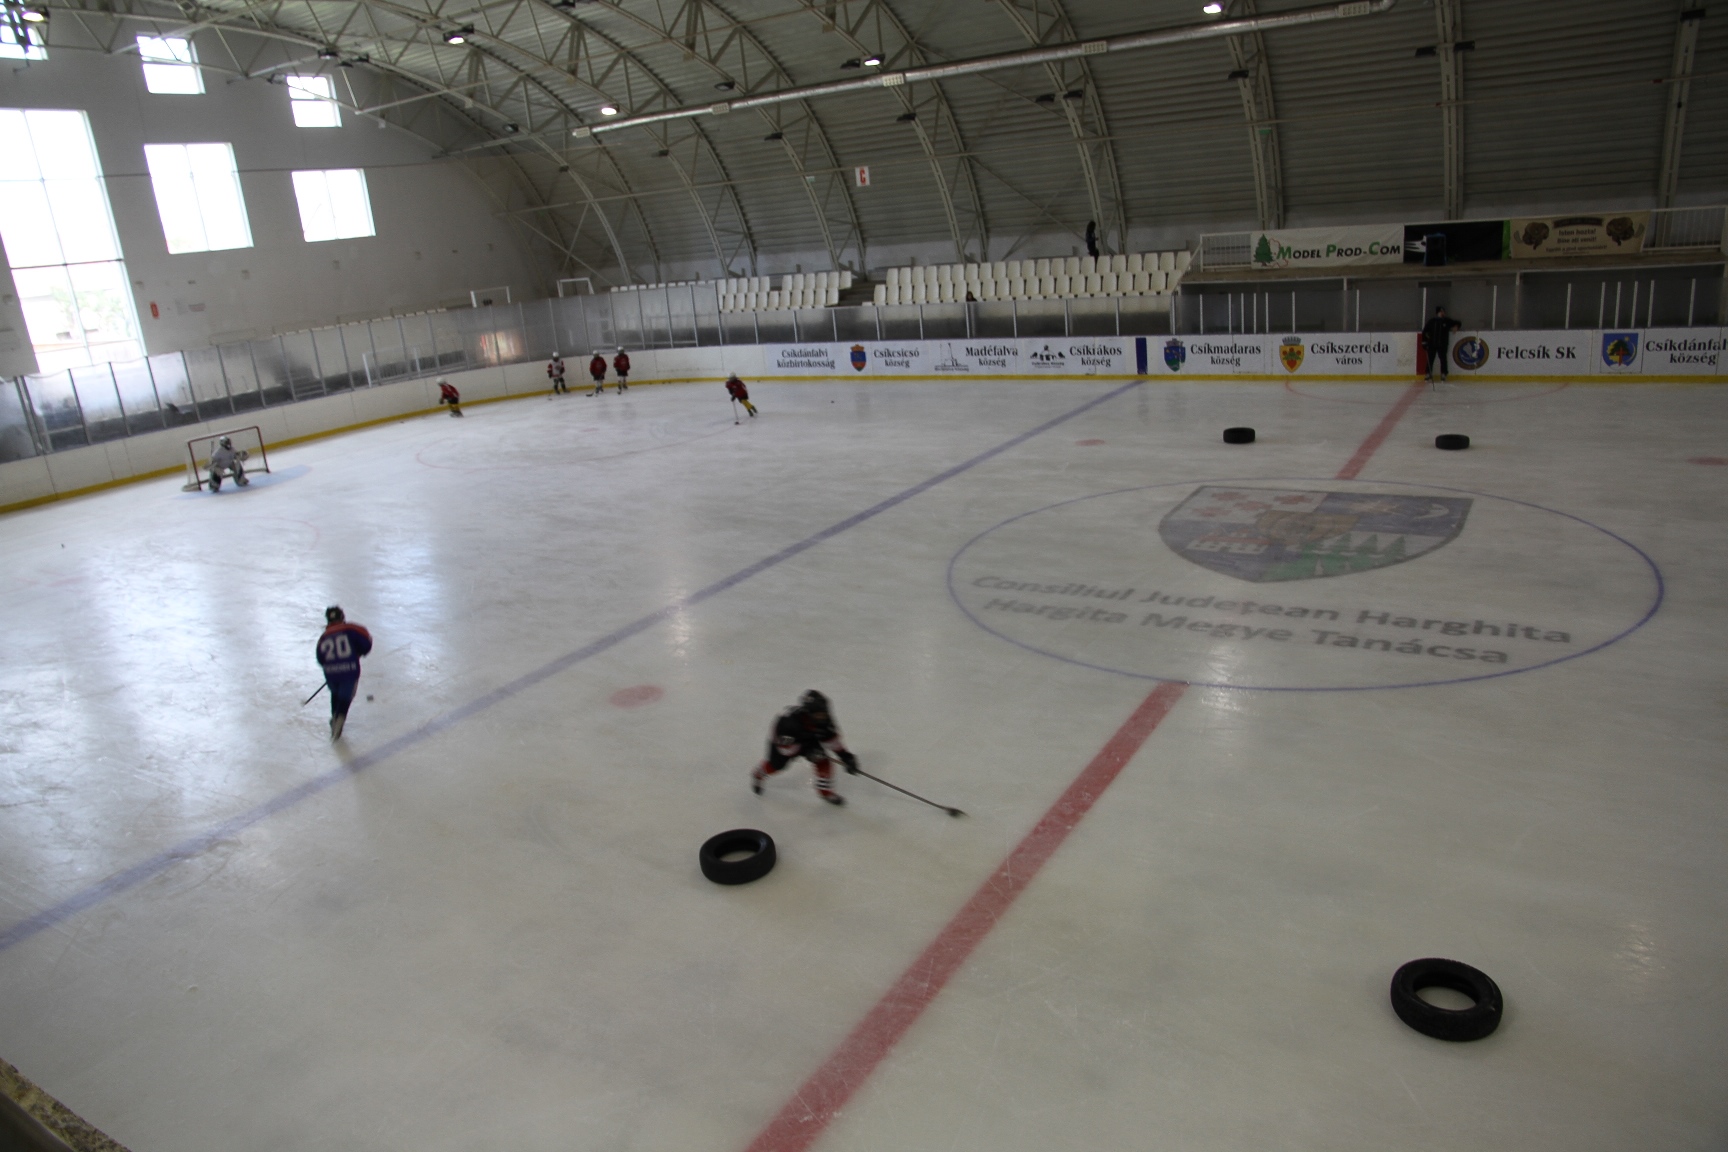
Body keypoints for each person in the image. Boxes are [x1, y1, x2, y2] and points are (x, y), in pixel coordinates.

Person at [752, 690, 857, 806]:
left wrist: (846, 756)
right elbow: (784, 749)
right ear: (808, 713)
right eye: (819, 714)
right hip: (782, 744)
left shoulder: (825, 720)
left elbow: (832, 740)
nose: (823, 717)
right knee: (776, 766)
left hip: (807, 738)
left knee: (823, 761)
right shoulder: (788, 723)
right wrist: (808, 752)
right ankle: (759, 774)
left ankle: (825, 792)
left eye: (825, 713)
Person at [316, 606, 373, 741]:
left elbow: (320, 657)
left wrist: (331, 666)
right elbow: (367, 640)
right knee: (346, 696)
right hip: (349, 670)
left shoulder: (324, 637)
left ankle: (334, 716)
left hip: (331, 673)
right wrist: (359, 652)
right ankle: (340, 717)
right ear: (342, 617)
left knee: (335, 693)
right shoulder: (351, 629)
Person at [1422, 306, 1463, 384]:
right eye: (1442, 311)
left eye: (1443, 311)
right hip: (1432, 344)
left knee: (1443, 359)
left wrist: (1456, 326)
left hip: (1442, 344)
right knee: (1430, 359)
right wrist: (1424, 342)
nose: (1443, 313)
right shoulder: (1432, 321)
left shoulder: (1447, 321)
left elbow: (1458, 322)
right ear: (1438, 312)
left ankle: (1443, 373)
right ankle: (1428, 373)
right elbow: (1425, 331)